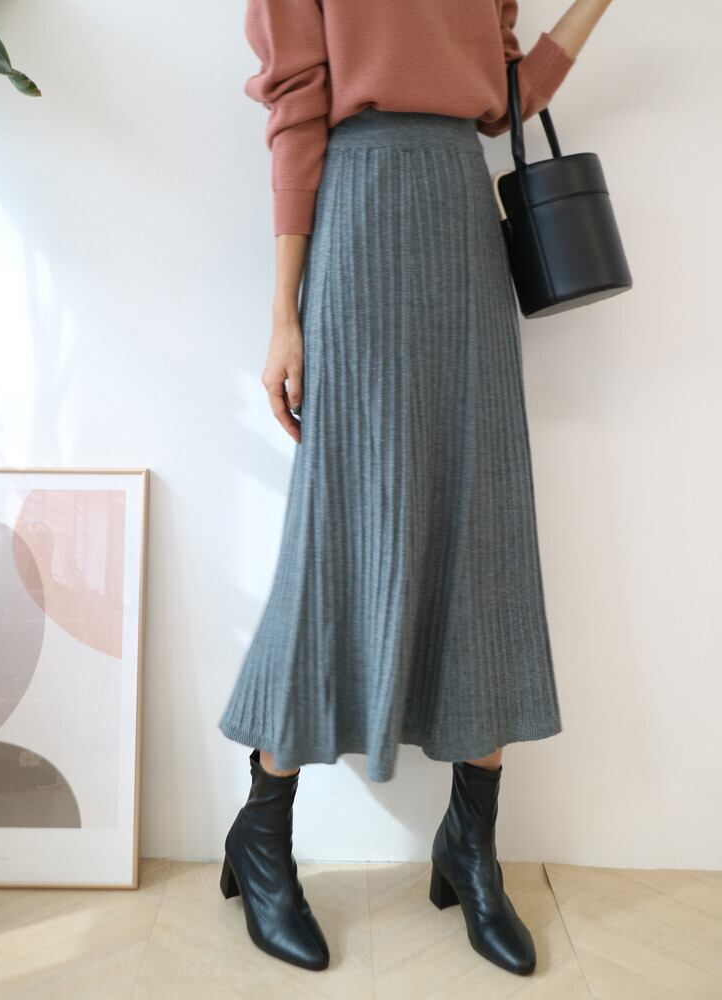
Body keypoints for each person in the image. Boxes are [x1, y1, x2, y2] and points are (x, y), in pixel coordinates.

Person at [219, 0, 612, 977]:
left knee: (485, 523)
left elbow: (505, 97)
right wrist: (282, 314)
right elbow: (295, 109)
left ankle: (469, 844)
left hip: (462, 225)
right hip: (356, 219)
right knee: (338, 534)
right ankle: (262, 833)